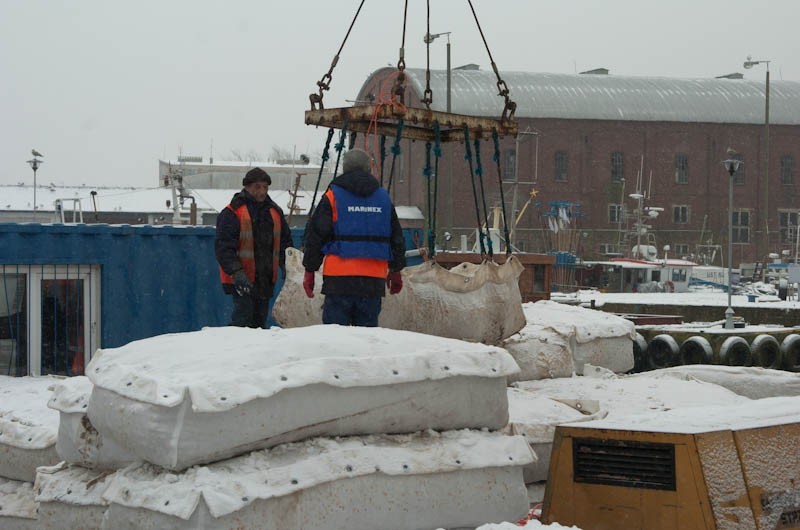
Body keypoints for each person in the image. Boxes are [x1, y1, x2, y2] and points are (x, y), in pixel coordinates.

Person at [302, 148, 406, 326]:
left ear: (344, 168)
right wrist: (396, 270)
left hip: (339, 280)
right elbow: (396, 237)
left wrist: (309, 270)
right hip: (372, 281)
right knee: (366, 339)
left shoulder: (332, 196)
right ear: (368, 168)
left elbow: (316, 235)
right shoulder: (383, 198)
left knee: (337, 337)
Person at [215, 167, 293, 328]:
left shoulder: (274, 212)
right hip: (243, 279)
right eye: (258, 187)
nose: (262, 191)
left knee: (257, 323)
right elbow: (224, 247)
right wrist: (236, 272)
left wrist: (287, 264)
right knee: (243, 321)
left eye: (265, 187)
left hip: (264, 280)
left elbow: (284, 243)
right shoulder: (233, 213)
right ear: (247, 187)